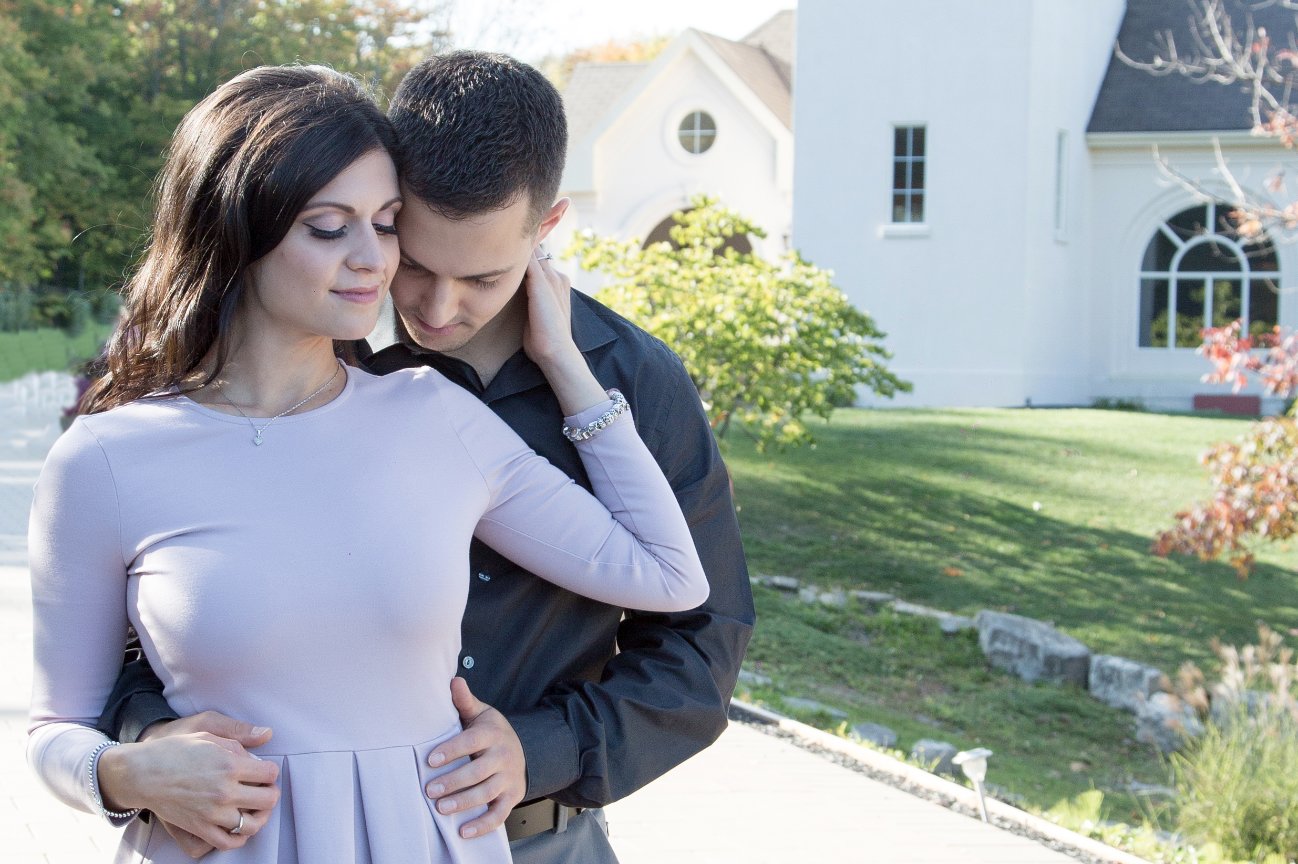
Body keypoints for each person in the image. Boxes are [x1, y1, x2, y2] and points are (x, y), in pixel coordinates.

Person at [26, 63, 710, 864]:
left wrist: (566, 365)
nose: (374, 260)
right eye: (329, 226)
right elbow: (53, 730)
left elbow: (670, 577)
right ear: (239, 228)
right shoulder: (106, 458)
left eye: (387, 224)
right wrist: (125, 772)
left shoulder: (432, 415)